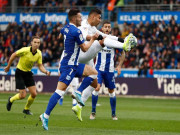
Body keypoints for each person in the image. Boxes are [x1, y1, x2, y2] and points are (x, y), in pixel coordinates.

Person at [39, 9, 99, 130]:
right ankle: (45, 116)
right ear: (73, 18)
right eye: (79, 17)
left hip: (74, 64)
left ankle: (78, 92)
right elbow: (85, 49)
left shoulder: (65, 28)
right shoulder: (76, 31)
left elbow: (61, 33)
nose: (81, 19)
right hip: (68, 67)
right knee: (59, 92)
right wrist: (93, 39)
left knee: (93, 73)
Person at [5, 36, 51, 115]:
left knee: (34, 94)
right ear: (31, 43)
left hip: (28, 73)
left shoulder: (39, 53)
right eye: (35, 42)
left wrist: (46, 72)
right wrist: (8, 66)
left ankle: (26, 109)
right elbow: (13, 55)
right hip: (19, 72)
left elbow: (40, 65)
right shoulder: (25, 50)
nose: (36, 44)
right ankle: (11, 100)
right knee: (22, 95)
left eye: (38, 43)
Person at [89, 21, 125, 120]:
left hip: (110, 70)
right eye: (106, 27)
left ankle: (113, 114)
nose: (108, 29)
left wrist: (119, 66)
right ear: (102, 29)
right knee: (97, 88)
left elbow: (123, 52)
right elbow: (90, 52)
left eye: (109, 27)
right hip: (98, 69)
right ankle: (93, 112)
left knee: (111, 91)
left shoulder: (113, 41)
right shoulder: (98, 40)